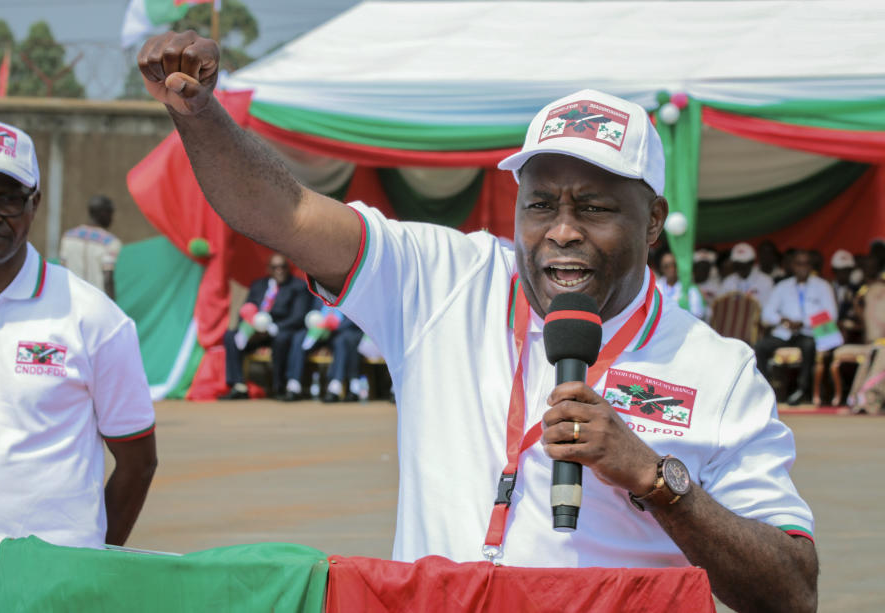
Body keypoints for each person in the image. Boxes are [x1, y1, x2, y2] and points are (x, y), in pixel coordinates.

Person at [138, 33, 817, 613]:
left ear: (653, 223)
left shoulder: (717, 371)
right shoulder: (446, 279)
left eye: (595, 207)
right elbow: (282, 212)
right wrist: (202, 118)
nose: (562, 232)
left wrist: (655, 480)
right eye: (541, 203)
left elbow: (792, 588)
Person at [0, 120, 157, 548]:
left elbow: (137, 463)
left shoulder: (95, 319)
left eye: (8, 199)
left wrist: (86, 564)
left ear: (35, 203)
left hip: (55, 584)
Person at [220, 253, 311, 400]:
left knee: (282, 339)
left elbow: (299, 316)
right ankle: (238, 386)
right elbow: (245, 309)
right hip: (255, 331)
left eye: (283, 267)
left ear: (288, 268)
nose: (279, 270)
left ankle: (279, 386)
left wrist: (272, 328)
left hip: (280, 330)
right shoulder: (258, 285)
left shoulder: (298, 286)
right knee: (231, 335)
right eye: (275, 267)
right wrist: (251, 326)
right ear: (269, 269)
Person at [756, 250, 839, 406]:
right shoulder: (782, 286)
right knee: (760, 347)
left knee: (809, 347)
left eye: (806, 264)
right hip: (784, 332)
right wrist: (782, 319)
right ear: (792, 266)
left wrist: (804, 322)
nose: (802, 268)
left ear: (811, 266)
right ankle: (764, 390)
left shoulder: (822, 286)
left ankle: (802, 389)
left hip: (809, 332)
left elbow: (831, 315)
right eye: (798, 264)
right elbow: (766, 314)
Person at [59, 194, 122, 300]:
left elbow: (62, 271)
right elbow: (107, 278)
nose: (112, 219)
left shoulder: (68, 237)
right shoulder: (110, 242)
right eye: (111, 214)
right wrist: (112, 308)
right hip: (96, 303)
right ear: (104, 213)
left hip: (71, 300)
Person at [655, 251, 704, 319]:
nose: (671, 269)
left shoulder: (690, 288)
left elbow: (698, 313)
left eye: (674, 265)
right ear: (661, 268)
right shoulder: (655, 288)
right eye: (666, 266)